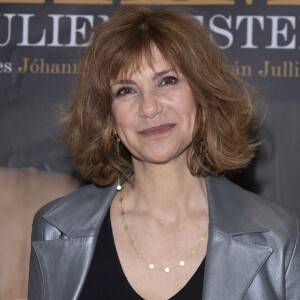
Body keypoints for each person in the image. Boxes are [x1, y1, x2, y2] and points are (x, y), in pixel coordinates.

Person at [28, 6, 300, 300]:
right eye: (126, 90)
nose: (149, 107)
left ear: (202, 95)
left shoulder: (277, 234)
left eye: (167, 81)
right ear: (108, 117)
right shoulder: (56, 229)